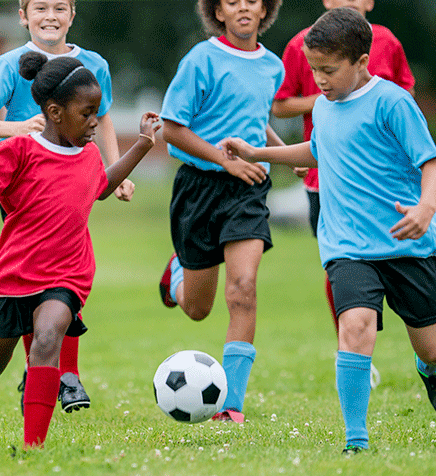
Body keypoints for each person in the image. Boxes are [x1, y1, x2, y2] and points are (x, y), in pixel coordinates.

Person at [220, 6, 436, 454]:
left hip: (407, 243)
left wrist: (427, 208)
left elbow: (433, 163)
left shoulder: (393, 102)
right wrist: (258, 152)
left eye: (329, 70)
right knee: (354, 325)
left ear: (362, 62)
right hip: (347, 244)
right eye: (314, 71)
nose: (320, 81)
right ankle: (356, 441)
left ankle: (431, 371)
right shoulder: (326, 106)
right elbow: (317, 149)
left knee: (432, 348)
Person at [0, 51, 160, 449]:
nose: (95, 122)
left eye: (97, 112)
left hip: (66, 275)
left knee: (49, 333)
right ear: (55, 112)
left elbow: (101, 187)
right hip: (13, 277)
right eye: (87, 113)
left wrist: (141, 145)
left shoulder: (87, 154)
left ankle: (33, 447)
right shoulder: (18, 151)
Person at [0, 0, 131, 413]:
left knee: (64, 269)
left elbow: (104, 118)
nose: (50, 16)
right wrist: (14, 127)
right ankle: (27, 352)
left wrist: (117, 168)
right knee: (38, 273)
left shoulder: (94, 64)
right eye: (40, 7)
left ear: (73, 14)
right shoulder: (8, 65)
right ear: (23, 16)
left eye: (60, 7)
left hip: (76, 170)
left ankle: (63, 373)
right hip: (25, 179)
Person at [271, 0, 415, 390]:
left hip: (385, 186)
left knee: (399, 266)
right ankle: (352, 349)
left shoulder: (389, 42)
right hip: (326, 179)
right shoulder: (303, 44)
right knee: (342, 263)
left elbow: (404, 104)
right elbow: (280, 104)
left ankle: (426, 345)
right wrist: (333, 97)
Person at [157, 0, 284, 423]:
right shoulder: (200, 60)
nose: (244, 7)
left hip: (247, 189)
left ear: (266, 8)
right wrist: (222, 158)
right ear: (218, 11)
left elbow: (255, 117)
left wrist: (282, 153)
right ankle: (176, 273)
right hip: (198, 187)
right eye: (233, 1)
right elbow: (172, 127)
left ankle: (230, 406)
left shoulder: (273, 66)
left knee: (243, 289)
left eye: (252, 0)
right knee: (197, 308)